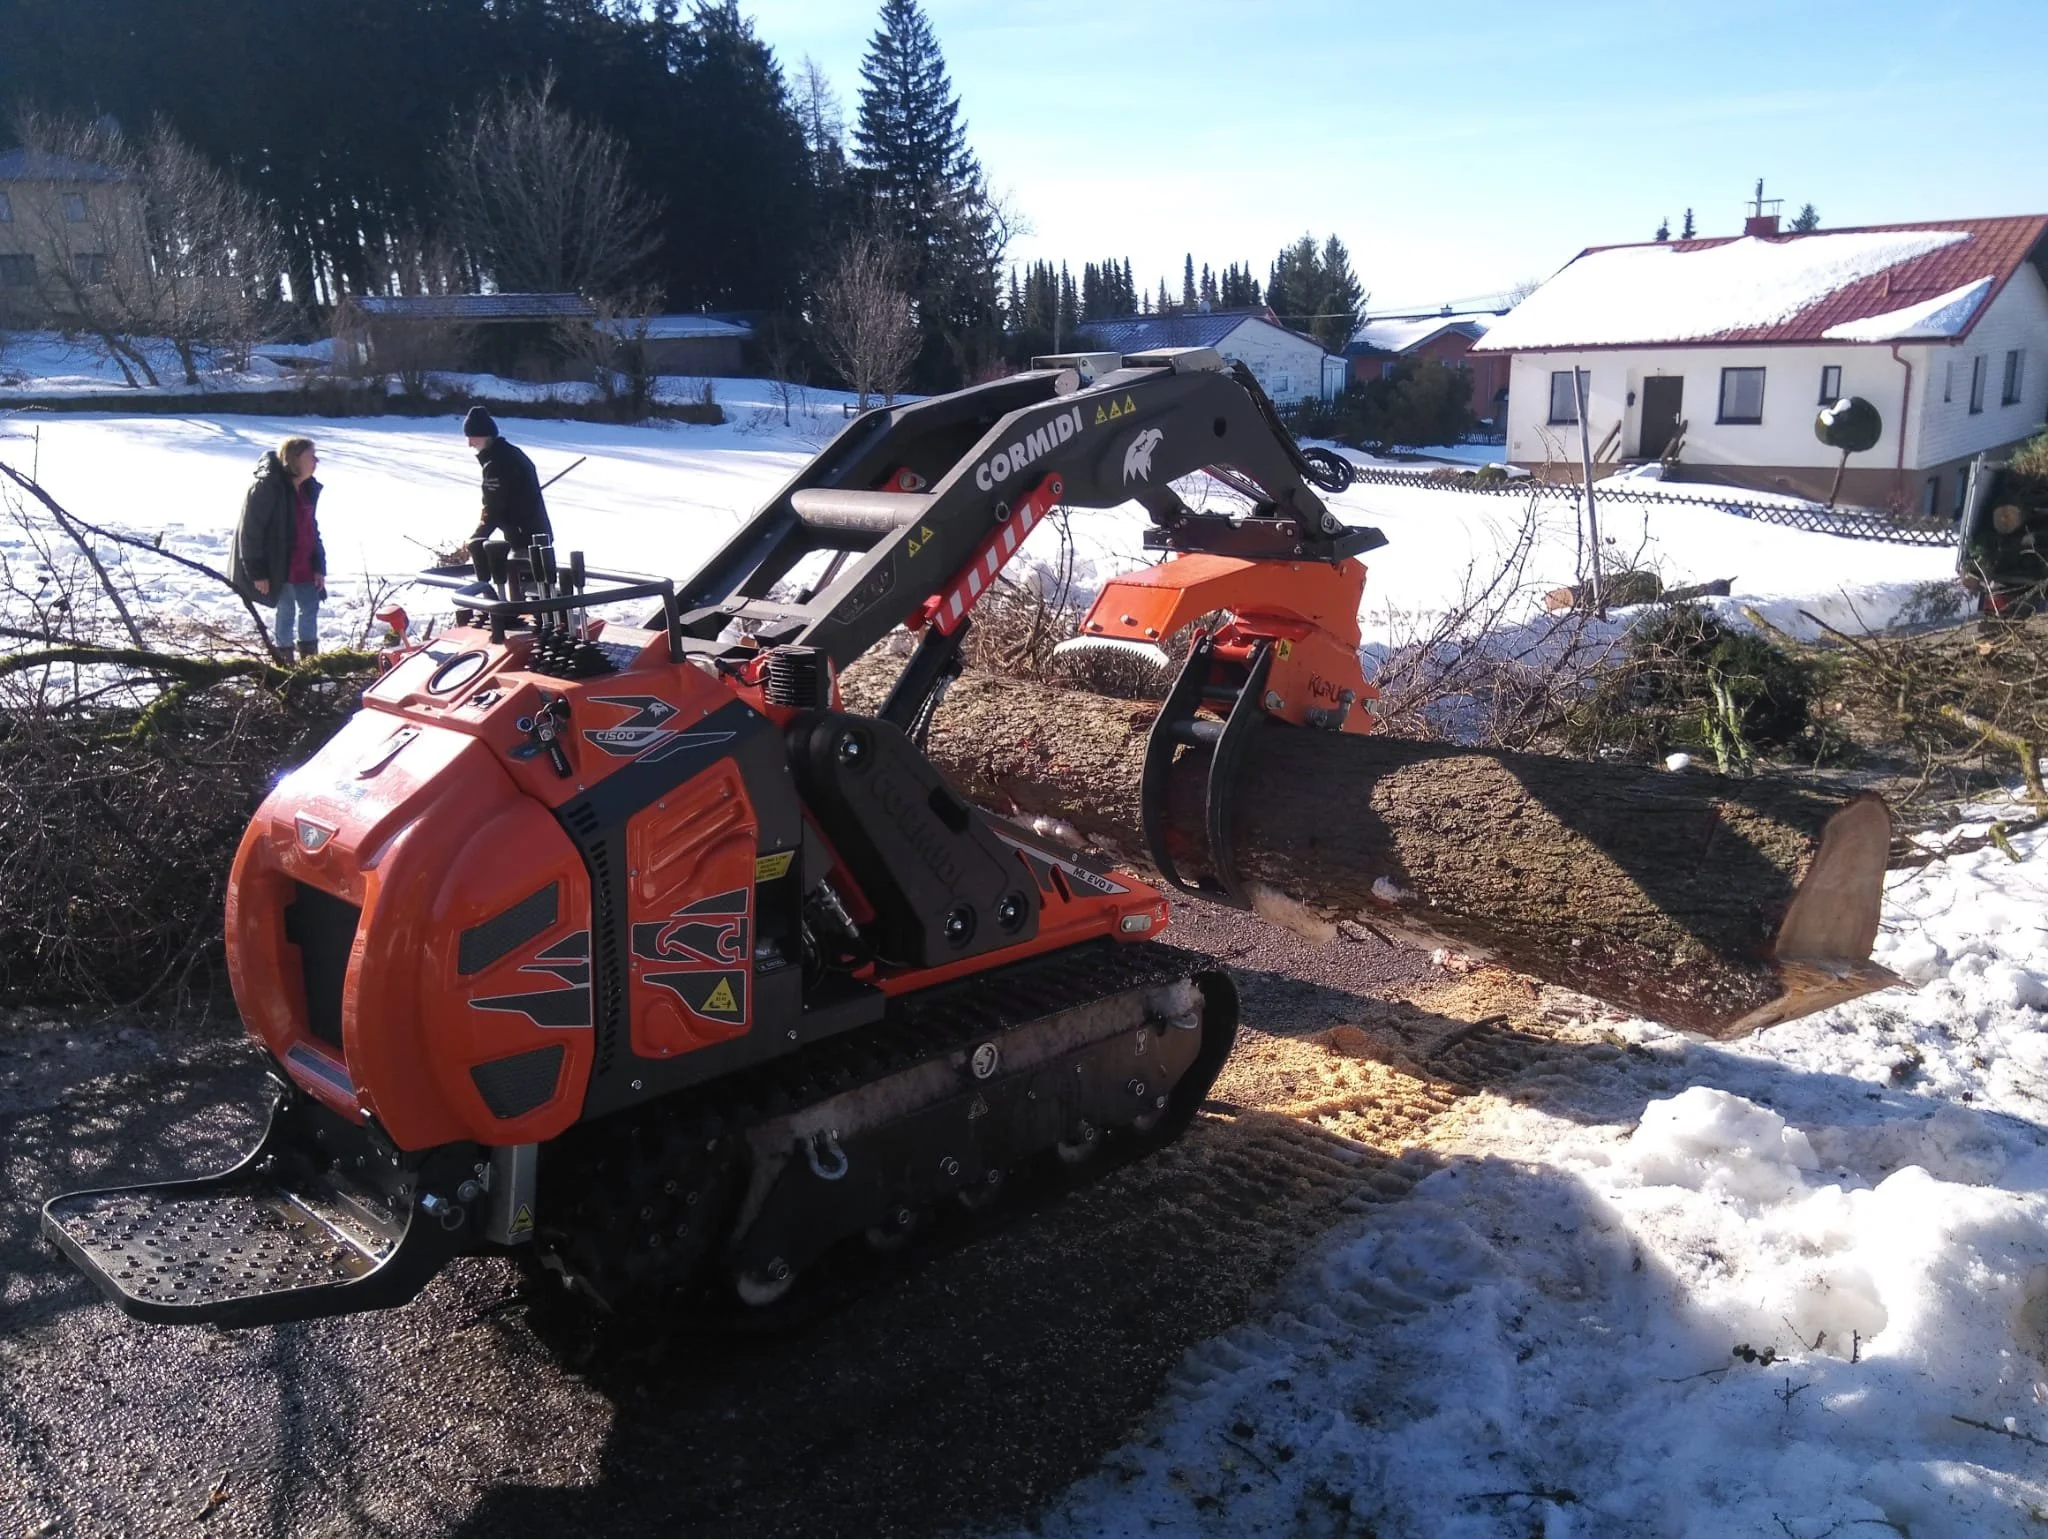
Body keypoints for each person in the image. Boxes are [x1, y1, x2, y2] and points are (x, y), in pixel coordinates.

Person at [229, 435, 326, 661]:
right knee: (286, 611)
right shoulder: (268, 487)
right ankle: (285, 663)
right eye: (312, 456)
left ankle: (311, 662)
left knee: (311, 606)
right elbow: (250, 532)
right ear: (295, 459)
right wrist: (258, 573)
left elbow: (311, 529)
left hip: (304, 564)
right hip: (278, 565)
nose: (316, 461)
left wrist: (319, 566)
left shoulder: (307, 489)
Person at [463, 405, 552, 548]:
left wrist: (475, 540)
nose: (469, 444)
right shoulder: (512, 453)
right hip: (538, 532)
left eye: (472, 438)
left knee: (524, 569)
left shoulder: (496, 464)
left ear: (485, 435)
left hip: (524, 537)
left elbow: (493, 509)